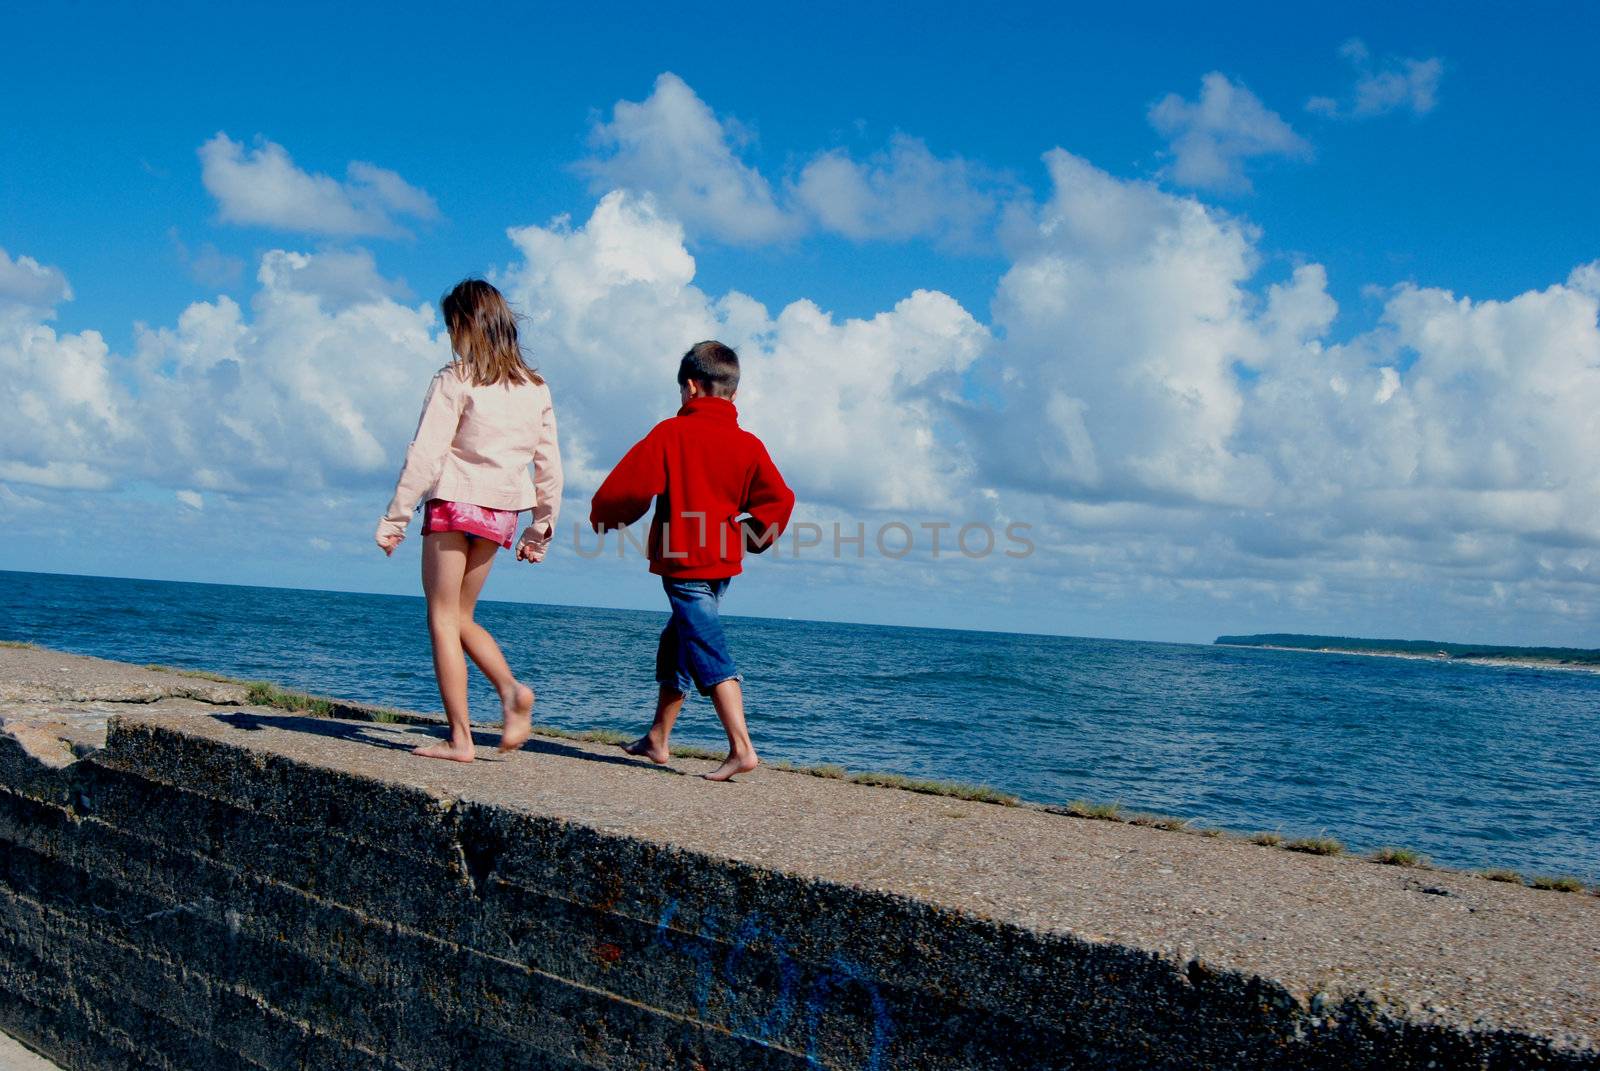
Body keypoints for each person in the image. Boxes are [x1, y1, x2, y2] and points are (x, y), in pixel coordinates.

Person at [590, 340, 795, 781]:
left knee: (705, 647)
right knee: (679, 641)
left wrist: (604, 516)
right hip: (722, 563)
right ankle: (658, 738)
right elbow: (779, 501)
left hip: (685, 563)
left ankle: (741, 748)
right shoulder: (749, 445)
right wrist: (744, 535)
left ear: (689, 387)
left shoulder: (671, 433)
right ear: (733, 393)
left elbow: (626, 490)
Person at [375, 279, 562, 762]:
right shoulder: (534, 388)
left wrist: (395, 517)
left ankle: (460, 738)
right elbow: (549, 463)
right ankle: (511, 691)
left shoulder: (456, 378)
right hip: (501, 513)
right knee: (461, 616)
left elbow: (425, 452)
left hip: (455, 502)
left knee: (441, 618)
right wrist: (541, 527)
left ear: (462, 325)